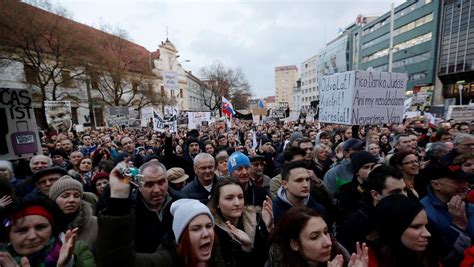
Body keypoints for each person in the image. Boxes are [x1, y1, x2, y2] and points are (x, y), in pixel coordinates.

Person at [97, 168, 224, 267]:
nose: (206, 234)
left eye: (208, 226)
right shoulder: (166, 261)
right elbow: (118, 261)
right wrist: (119, 199)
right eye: (196, 228)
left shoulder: (221, 256)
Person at [0, 198, 95, 266]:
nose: (32, 236)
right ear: (8, 235)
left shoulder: (77, 250)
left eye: (40, 227)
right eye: (22, 230)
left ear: (52, 229)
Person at [266, 206, 368, 267]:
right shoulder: (278, 263)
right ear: (295, 244)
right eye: (314, 237)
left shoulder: (339, 255)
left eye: (326, 232)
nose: (328, 242)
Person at [208, 178, 273, 267]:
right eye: (229, 198)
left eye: (240, 197)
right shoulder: (211, 229)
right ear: (217, 203)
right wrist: (246, 247)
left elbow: (267, 257)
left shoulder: (256, 219)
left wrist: (269, 228)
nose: (237, 203)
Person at [420, 163, 474, 266]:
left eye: (465, 180)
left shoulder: (470, 206)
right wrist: (458, 226)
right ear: (436, 185)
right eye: (458, 182)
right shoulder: (423, 213)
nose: (465, 186)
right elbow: (440, 256)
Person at [369, 194, 437, 267]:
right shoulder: (368, 260)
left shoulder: (429, 255)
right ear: (394, 230)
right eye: (416, 227)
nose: (427, 233)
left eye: (426, 225)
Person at [48, 176, 98, 251]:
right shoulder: (45, 226)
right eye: (65, 196)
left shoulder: (95, 224)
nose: (72, 200)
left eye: (76, 196)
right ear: (54, 200)